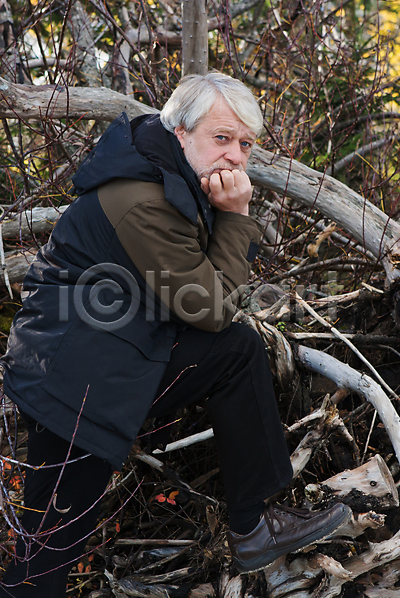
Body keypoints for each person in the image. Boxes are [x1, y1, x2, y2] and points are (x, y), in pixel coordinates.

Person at [0, 72, 350, 596]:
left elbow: (205, 308)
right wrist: (235, 218)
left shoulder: (168, 173)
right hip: (74, 381)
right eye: (222, 138)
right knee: (46, 557)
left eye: (246, 144)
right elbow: (209, 306)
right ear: (181, 132)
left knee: (237, 352)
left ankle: (254, 524)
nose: (234, 156)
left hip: (121, 353)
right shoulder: (143, 197)